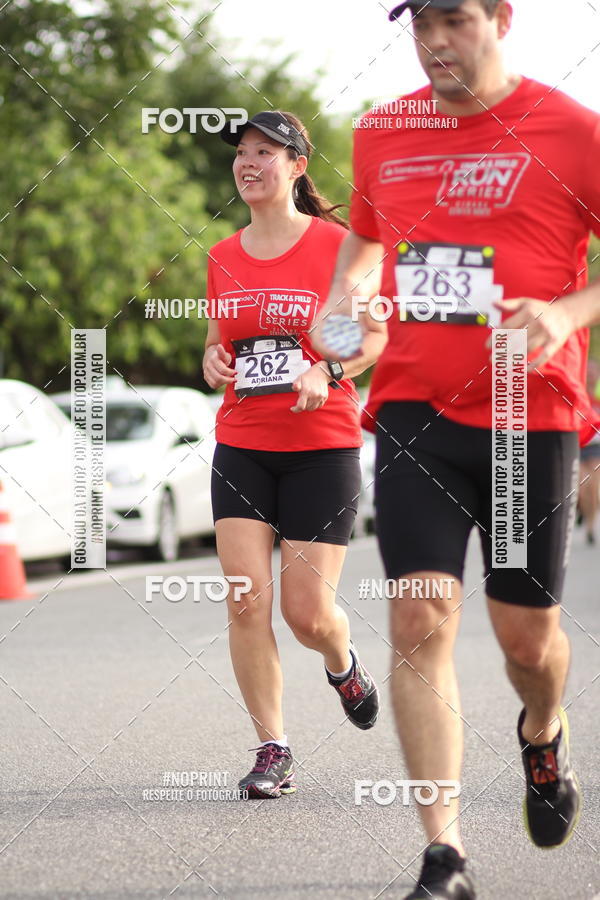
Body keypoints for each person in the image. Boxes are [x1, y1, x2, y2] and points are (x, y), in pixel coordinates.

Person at [312, 1, 600, 896]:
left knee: (525, 639)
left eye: (455, 21)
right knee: (417, 617)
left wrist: (565, 311)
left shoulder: (575, 129)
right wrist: (347, 297)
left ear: (500, 19)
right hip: (414, 410)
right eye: (421, 24)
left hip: (525, 414)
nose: (435, 42)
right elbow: (363, 238)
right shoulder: (381, 131)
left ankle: (543, 732)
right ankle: (446, 853)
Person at [203, 111, 386, 799]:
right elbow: (221, 342)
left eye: (266, 152)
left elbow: (371, 340)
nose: (249, 163)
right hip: (243, 442)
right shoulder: (223, 254)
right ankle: (272, 747)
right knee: (247, 599)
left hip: (321, 447)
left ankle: (342, 663)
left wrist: (328, 373)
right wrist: (213, 359)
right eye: (242, 153)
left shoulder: (341, 248)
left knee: (306, 612)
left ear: (298, 166)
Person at [579, 359, 600, 544]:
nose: (591, 375)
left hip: (596, 447)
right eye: (588, 372)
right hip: (579, 446)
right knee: (582, 488)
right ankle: (582, 511)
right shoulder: (579, 393)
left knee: (593, 487)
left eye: (594, 371)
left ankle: (590, 527)